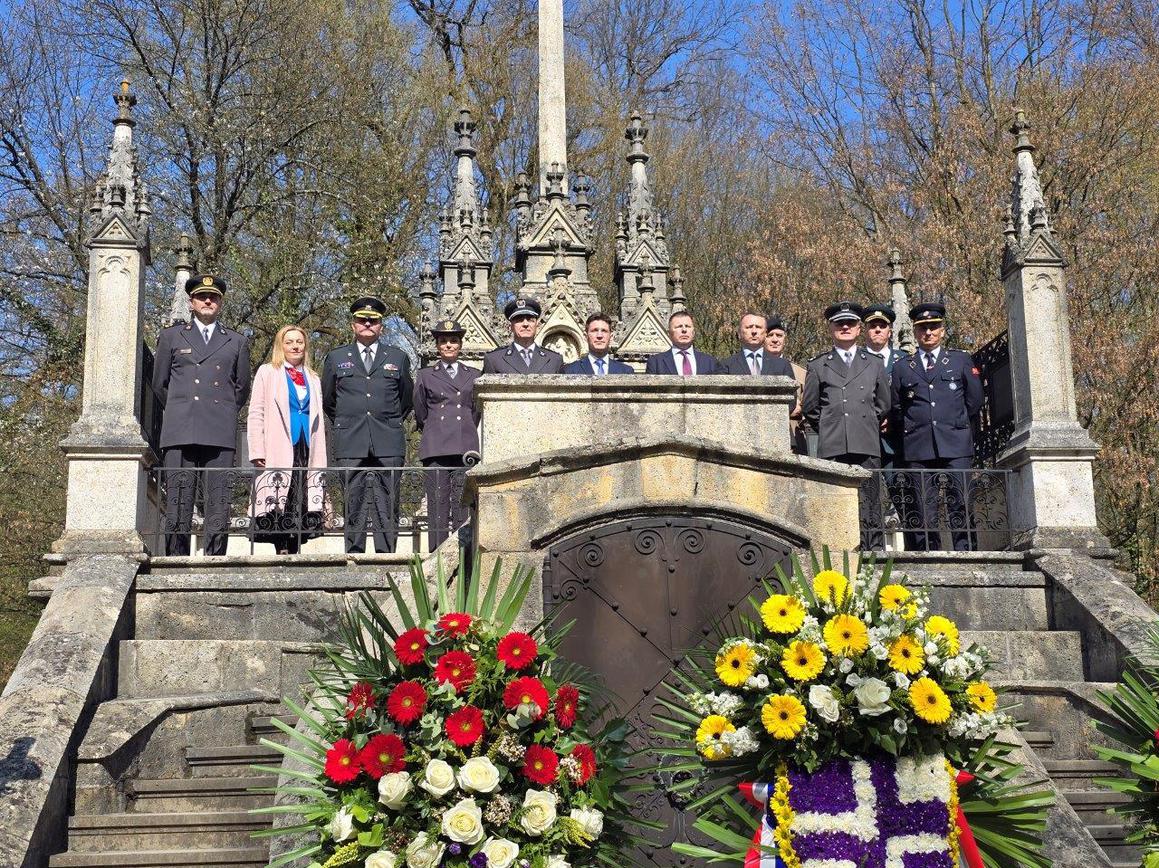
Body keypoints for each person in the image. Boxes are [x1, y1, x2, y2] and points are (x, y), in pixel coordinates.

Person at [153, 273, 251, 556]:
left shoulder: (236, 341)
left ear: (220, 303)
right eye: (201, 297)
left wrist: (221, 409)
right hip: (180, 428)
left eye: (214, 297)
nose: (208, 301)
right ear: (191, 302)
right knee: (179, 497)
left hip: (219, 429)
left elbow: (241, 387)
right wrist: (182, 407)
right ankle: (175, 557)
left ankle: (216, 557)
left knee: (219, 498)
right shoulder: (172, 337)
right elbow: (160, 384)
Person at [322, 297, 414, 554]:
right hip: (350, 438)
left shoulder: (398, 356)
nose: (367, 324)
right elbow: (329, 399)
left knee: (389, 499)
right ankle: (354, 552)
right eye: (362, 320)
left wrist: (389, 420)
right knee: (353, 498)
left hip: (387, 438)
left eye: (373, 321)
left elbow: (406, 398)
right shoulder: (336, 357)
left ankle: (387, 554)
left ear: (381, 327)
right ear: (353, 325)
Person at [891, 302, 984, 551]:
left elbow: (974, 400)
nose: (928, 333)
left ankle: (965, 551)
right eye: (923, 329)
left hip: (955, 443)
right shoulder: (902, 367)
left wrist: (955, 424)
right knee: (923, 505)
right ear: (915, 332)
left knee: (961, 500)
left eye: (933, 327)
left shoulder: (960, 359)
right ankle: (927, 553)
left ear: (943, 330)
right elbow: (897, 407)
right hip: (919, 446)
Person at [802, 301, 890, 551]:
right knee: (835, 499)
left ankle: (874, 550)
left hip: (866, 440)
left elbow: (883, 403)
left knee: (870, 499)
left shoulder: (874, 363)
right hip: (833, 443)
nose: (845, 327)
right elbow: (810, 407)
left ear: (859, 328)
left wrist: (862, 421)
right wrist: (834, 424)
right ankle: (836, 548)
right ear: (831, 328)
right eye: (840, 323)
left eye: (850, 323)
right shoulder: (818, 365)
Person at [247, 325, 328, 554]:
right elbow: (256, 412)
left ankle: (295, 547)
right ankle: (280, 547)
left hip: (306, 445)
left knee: (301, 495)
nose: (295, 346)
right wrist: (257, 450)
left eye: (299, 342)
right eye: (289, 342)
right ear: (280, 346)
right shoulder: (267, 372)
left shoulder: (312, 377)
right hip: (278, 445)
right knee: (278, 495)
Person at [414, 319, 480, 551]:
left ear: (460, 344)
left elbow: (476, 410)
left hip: (465, 446)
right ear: (438, 346)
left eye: (453, 340)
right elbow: (420, 411)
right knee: (437, 505)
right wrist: (436, 429)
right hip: (436, 446)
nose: (449, 345)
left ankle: (463, 555)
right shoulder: (425, 375)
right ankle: (437, 557)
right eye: (444, 341)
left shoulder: (474, 374)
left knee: (462, 504)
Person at [862, 304, 908, 532]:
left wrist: (895, 419)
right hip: (864, 440)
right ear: (865, 330)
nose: (878, 330)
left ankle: (915, 551)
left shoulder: (904, 360)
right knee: (866, 499)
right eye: (873, 326)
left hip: (897, 442)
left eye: (883, 326)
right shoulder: (856, 361)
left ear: (890, 331)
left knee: (903, 496)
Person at [482, 297, 566, 373]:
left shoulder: (554, 360)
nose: (525, 324)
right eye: (519, 320)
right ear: (510, 326)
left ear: (537, 325)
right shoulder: (494, 359)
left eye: (530, 320)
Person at [765, 315, 807, 452]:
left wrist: (801, 410)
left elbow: (809, 407)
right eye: (770, 335)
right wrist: (788, 409)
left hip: (795, 441)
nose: (775, 340)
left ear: (785, 339)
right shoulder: (754, 371)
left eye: (779, 335)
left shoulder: (801, 373)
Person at [644, 310, 719, 375]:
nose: (684, 330)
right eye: (679, 326)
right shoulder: (656, 363)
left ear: (693, 332)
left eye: (687, 326)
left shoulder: (710, 362)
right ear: (669, 333)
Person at [564, 312, 634, 375]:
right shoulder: (569, 371)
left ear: (611, 337)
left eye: (604, 331)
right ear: (586, 336)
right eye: (594, 330)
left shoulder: (626, 372)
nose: (599, 336)